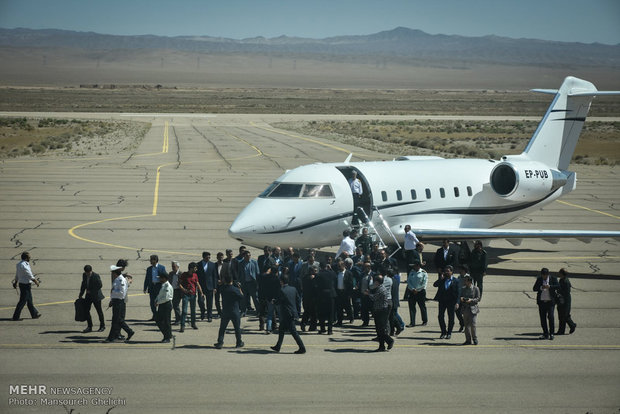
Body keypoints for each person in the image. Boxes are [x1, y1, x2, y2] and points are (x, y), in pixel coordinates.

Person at [270, 273, 306, 354]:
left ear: (281, 281)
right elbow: (298, 300)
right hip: (292, 312)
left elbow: (280, 301)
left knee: (293, 332)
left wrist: (274, 301)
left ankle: (302, 347)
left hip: (286, 313)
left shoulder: (282, 290)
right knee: (281, 329)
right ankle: (278, 346)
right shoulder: (293, 289)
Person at [214, 274, 245, 349]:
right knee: (237, 328)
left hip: (225, 310)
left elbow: (220, 286)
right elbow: (242, 297)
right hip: (234, 311)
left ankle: (220, 342)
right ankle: (238, 342)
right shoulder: (235, 289)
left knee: (222, 328)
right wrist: (239, 288)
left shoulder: (223, 289)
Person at [105, 266, 135, 343]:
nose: (112, 274)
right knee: (117, 320)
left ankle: (112, 337)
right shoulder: (117, 279)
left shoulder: (121, 280)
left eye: (113, 273)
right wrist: (112, 299)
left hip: (119, 302)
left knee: (117, 320)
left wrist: (114, 294)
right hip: (116, 301)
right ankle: (128, 332)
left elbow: (122, 293)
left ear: (115, 273)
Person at [366, 274, 394, 352]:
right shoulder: (378, 288)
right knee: (378, 330)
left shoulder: (381, 289)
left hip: (382, 311)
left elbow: (374, 298)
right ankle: (381, 346)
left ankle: (389, 340)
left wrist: (368, 294)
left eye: (375, 281)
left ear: (378, 282)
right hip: (378, 310)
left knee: (381, 329)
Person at [12, 252, 41, 321]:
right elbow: (29, 274)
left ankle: (34, 314)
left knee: (29, 301)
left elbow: (17, 274)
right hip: (25, 285)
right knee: (22, 301)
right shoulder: (24, 265)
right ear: (26, 258)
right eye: (29, 257)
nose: (30, 258)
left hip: (23, 284)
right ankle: (15, 317)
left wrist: (16, 282)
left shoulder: (19, 264)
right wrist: (35, 281)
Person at [433, 265, 460, 339]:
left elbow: (458, 293)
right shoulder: (442, 279)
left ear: (452, 272)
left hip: (451, 302)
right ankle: (443, 332)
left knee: (451, 317)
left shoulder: (456, 281)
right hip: (442, 301)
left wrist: (457, 302)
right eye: (445, 271)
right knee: (440, 316)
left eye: (448, 271)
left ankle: (449, 332)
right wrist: (440, 279)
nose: (446, 272)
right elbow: (434, 285)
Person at [533, 267, 560, 340]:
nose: (544, 277)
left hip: (550, 302)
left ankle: (551, 333)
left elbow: (558, 286)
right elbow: (534, 288)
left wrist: (550, 286)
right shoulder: (539, 279)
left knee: (551, 317)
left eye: (545, 276)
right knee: (543, 319)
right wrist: (541, 287)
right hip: (542, 302)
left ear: (548, 274)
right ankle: (545, 333)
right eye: (543, 275)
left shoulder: (553, 278)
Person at [79, 265, 105, 333]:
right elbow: (83, 284)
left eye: (88, 273)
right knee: (86, 310)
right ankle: (89, 326)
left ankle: (102, 326)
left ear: (91, 271)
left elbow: (100, 285)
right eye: (86, 273)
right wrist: (81, 294)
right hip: (88, 296)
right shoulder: (84, 275)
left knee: (99, 311)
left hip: (96, 296)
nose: (87, 274)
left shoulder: (96, 276)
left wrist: (91, 291)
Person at [179, 262, 202, 333]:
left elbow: (197, 284)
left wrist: (201, 293)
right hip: (186, 294)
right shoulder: (184, 275)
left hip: (193, 295)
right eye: (195, 268)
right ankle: (182, 325)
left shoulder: (195, 275)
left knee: (193, 310)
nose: (196, 269)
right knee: (184, 311)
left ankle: (193, 323)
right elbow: (179, 283)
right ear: (191, 268)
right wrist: (184, 290)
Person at [315, 261, 337, 334]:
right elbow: (335, 277)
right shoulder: (331, 273)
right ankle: (330, 330)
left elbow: (316, 285)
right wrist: (330, 269)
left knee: (321, 312)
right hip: (331, 294)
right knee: (331, 312)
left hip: (322, 295)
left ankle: (322, 328)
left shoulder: (318, 275)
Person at [143, 255, 167, 321]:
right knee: (152, 303)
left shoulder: (161, 268)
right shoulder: (149, 269)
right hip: (152, 287)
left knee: (160, 302)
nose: (150, 261)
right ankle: (155, 315)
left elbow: (165, 277)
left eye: (151, 260)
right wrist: (145, 288)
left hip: (159, 287)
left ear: (155, 260)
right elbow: (147, 279)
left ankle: (159, 316)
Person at [459, 274, 480, 345]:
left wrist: (471, 300)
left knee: (473, 324)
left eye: (466, 281)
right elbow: (461, 296)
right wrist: (462, 299)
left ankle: (475, 338)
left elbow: (478, 299)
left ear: (470, 282)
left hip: (473, 309)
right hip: (465, 309)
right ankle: (468, 339)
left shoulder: (476, 288)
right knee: (466, 325)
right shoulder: (463, 288)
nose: (465, 282)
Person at [406, 261, 428, 327]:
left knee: (422, 306)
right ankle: (412, 322)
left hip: (420, 292)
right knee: (412, 307)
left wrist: (417, 290)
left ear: (418, 266)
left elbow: (424, 283)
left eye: (415, 266)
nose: (413, 267)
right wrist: (412, 289)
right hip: (412, 291)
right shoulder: (411, 272)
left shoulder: (423, 272)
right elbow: (408, 281)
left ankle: (424, 320)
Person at [196, 251, 217, 322]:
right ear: (203, 257)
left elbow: (214, 276)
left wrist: (215, 287)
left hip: (210, 286)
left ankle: (209, 316)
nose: (208, 258)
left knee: (209, 302)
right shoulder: (198, 265)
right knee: (200, 301)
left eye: (209, 257)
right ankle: (202, 311)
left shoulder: (212, 265)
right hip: (201, 286)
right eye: (207, 257)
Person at [556, 268, 577, 335]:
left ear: (562, 274)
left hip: (565, 301)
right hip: (561, 299)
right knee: (562, 316)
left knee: (564, 316)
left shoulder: (565, 282)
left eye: (559, 273)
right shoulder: (562, 280)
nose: (558, 274)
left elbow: (566, 293)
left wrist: (561, 298)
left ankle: (571, 325)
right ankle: (562, 330)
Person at [239, 250, 260, 315]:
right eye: (247, 256)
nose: (249, 257)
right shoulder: (241, 263)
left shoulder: (254, 262)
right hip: (244, 283)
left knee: (255, 298)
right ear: (244, 256)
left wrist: (257, 282)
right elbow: (239, 274)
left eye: (249, 255)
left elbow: (257, 272)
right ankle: (243, 311)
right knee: (243, 298)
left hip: (252, 283)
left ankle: (259, 311)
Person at [154, 272, 174, 343]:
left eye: (160, 278)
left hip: (166, 305)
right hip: (162, 304)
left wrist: (157, 302)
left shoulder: (167, 286)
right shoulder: (163, 285)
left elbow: (166, 298)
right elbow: (160, 295)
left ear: (164, 278)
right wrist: (156, 300)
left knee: (166, 322)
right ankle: (168, 334)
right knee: (160, 320)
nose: (159, 279)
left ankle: (167, 337)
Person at [335, 259, 354, 325]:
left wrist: (350, 294)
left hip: (345, 293)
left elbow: (350, 284)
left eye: (340, 266)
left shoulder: (348, 273)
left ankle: (351, 317)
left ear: (343, 266)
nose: (339, 267)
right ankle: (339, 321)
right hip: (339, 292)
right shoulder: (337, 273)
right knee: (339, 308)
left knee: (347, 307)